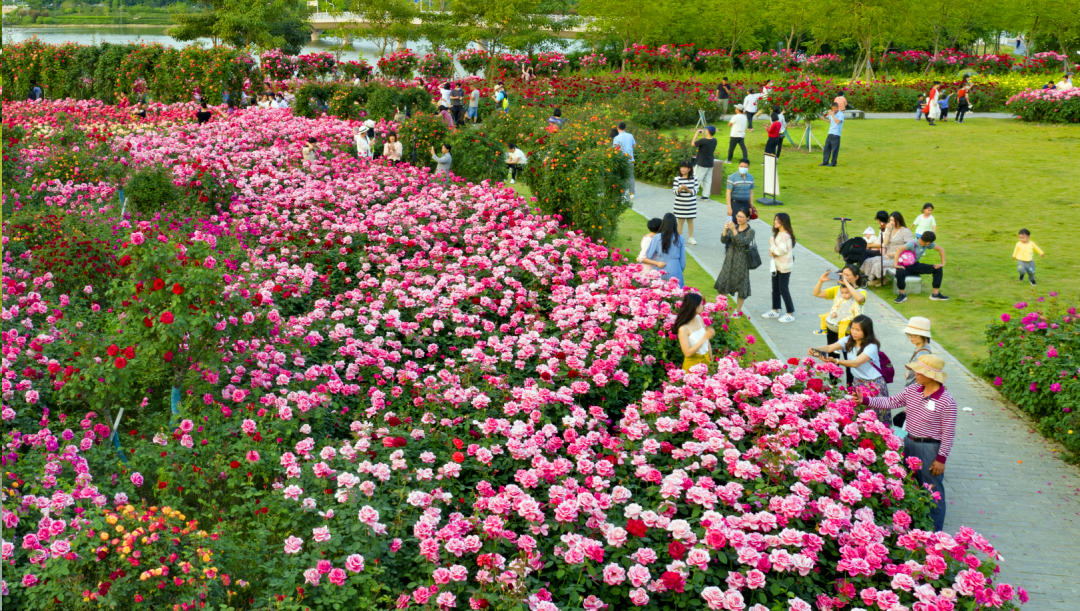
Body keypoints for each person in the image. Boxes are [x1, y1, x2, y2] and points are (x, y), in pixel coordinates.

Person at [858, 354, 956, 531]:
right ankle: (914, 528)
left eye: (918, 371)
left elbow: (948, 433)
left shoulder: (946, 401)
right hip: (908, 442)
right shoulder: (913, 390)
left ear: (931, 375)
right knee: (911, 486)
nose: (914, 373)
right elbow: (890, 401)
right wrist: (866, 400)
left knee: (932, 491)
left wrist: (941, 459)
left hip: (930, 448)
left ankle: (934, 533)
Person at [810, 314, 889, 404]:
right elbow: (830, 348)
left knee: (874, 415)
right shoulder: (848, 340)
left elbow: (855, 363)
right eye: (852, 328)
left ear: (866, 331)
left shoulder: (871, 346)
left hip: (873, 385)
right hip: (857, 382)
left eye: (858, 330)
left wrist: (835, 360)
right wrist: (815, 349)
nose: (854, 332)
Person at [714, 209, 755, 313]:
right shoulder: (734, 227)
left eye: (742, 217)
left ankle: (737, 310)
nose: (739, 219)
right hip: (729, 259)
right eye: (738, 216)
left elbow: (742, 242)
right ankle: (722, 308)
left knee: (741, 286)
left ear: (748, 218)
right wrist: (725, 229)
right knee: (723, 283)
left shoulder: (750, 231)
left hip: (741, 261)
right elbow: (723, 240)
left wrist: (733, 231)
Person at [893, 231, 949, 303]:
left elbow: (941, 249)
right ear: (928, 242)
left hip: (915, 265)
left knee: (938, 269)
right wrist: (896, 265)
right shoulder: (912, 243)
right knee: (899, 271)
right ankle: (902, 294)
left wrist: (942, 264)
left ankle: (935, 294)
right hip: (905, 266)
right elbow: (898, 249)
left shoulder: (927, 244)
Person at [762, 213, 795, 323]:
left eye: (777, 220)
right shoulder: (778, 234)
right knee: (775, 288)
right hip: (776, 265)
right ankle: (775, 310)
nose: (774, 222)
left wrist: (771, 243)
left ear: (783, 222)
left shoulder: (785, 235)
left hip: (784, 266)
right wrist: (772, 249)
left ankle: (790, 313)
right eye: (775, 219)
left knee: (783, 289)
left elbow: (780, 250)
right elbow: (774, 251)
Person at [864, 212, 913, 285]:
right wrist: (889, 231)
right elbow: (885, 243)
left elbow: (910, 246)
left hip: (899, 258)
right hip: (888, 255)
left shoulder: (905, 231)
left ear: (898, 221)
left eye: (893, 220)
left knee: (878, 264)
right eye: (890, 220)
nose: (891, 222)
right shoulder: (891, 229)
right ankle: (881, 279)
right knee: (869, 261)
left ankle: (881, 280)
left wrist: (895, 253)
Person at [641, 213, 687, 287]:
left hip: (661, 267)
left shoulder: (657, 237)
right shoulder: (680, 238)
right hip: (676, 267)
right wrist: (679, 270)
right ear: (675, 224)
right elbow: (683, 260)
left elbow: (649, 255)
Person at [674, 293, 715, 372]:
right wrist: (704, 338)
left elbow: (707, 342)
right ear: (695, 307)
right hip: (692, 366)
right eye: (701, 304)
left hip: (705, 361)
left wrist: (711, 360)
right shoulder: (683, 329)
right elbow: (687, 353)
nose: (703, 306)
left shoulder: (699, 319)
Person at [672, 161, 700, 246]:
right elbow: (674, 191)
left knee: (690, 221)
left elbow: (696, 190)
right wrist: (680, 189)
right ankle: (679, 238)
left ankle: (691, 238)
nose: (683, 169)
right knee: (680, 221)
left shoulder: (694, 178)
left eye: (685, 168)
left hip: (690, 203)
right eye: (681, 167)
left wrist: (688, 190)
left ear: (689, 169)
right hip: (680, 204)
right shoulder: (677, 179)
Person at [903, 317, 933, 387]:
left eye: (914, 335)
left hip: (915, 391)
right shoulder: (921, 349)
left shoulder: (922, 354)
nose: (910, 337)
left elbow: (923, 377)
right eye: (909, 334)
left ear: (924, 335)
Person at [691, 126, 717, 200]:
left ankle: (692, 193)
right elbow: (706, 141)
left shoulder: (703, 141)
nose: (705, 130)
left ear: (708, 131)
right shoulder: (714, 140)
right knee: (708, 180)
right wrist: (702, 135)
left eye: (706, 130)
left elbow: (693, 144)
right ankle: (705, 196)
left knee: (697, 179)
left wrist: (696, 134)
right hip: (710, 163)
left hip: (702, 163)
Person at [612, 122, 637, 200]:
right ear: (625, 128)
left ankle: (622, 194)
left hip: (621, 160)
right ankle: (632, 193)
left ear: (618, 128)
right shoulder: (630, 136)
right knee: (630, 177)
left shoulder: (616, 138)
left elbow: (615, 149)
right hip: (630, 159)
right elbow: (634, 146)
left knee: (621, 177)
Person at [819, 103, 844, 167]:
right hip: (830, 133)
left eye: (834, 108)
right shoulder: (832, 114)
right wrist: (823, 119)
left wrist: (832, 115)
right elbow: (830, 121)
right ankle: (825, 162)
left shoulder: (841, 114)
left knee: (834, 150)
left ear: (837, 107)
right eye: (832, 108)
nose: (833, 109)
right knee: (826, 148)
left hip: (836, 134)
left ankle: (833, 163)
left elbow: (837, 122)